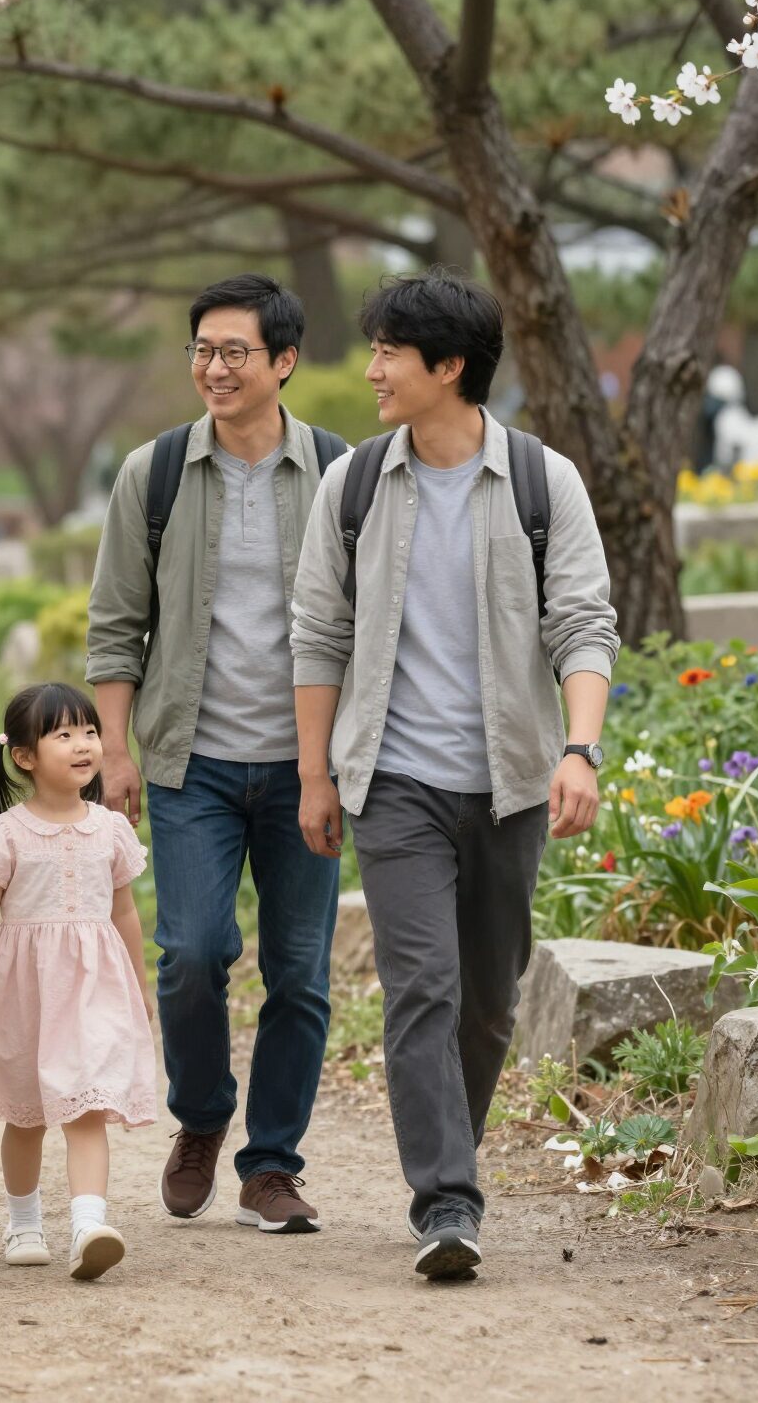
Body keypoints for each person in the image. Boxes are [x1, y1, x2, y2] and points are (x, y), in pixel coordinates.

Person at [290, 270, 619, 1282]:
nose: (374, 367)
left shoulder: (538, 480)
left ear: (450, 367)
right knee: (421, 989)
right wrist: (317, 775)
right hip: (393, 781)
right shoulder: (353, 485)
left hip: (512, 781)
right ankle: (447, 1200)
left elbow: (582, 621)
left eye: (392, 351)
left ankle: (452, 1160)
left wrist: (580, 748)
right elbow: (317, 634)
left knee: (486, 1004)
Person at [86, 272, 344, 1236]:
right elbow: (115, 627)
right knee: (190, 952)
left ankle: (271, 1163)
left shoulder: (339, 471)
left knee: (301, 970)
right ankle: (200, 1119)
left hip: (303, 767)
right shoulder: (152, 473)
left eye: (236, 351)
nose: (214, 367)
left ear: (284, 361)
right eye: (202, 349)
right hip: (188, 761)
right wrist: (115, 753)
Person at [0, 682, 154, 1280]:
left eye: (89, 731)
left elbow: (125, 912)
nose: (83, 745)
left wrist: (139, 987)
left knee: (88, 1105)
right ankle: (25, 1219)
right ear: (25, 756)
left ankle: (89, 1223)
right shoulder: (6, 833)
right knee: (28, 1114)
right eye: (64, 734)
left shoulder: (111, 829)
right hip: (24, 992)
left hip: (94, 989)